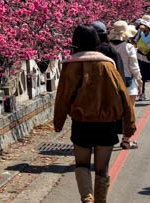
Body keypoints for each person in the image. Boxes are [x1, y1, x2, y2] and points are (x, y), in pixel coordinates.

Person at [54, 24, 136, 203]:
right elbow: (123, 94)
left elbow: (63, 96)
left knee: (82, 165)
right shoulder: (107, 64)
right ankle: (100, 200)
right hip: (106, 125)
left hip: (81, 123)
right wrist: (129, 126)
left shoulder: (70, 65)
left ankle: (87, 198)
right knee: (102, 170)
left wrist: (58, 122)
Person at [109, 20, 141, 149]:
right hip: (128, 82)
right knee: (129, 111)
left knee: (112, 111)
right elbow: (134, 67)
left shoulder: (108, 47)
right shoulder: (128, 47)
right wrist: (139, 80)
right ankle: (126, 139)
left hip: (111, 82)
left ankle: (110, 138)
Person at [133, 17, 150, 101]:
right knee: (147, 75)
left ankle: (142, 94)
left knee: (142, 75)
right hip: (149, 55)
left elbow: (135, 41)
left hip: (141, 56)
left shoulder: (140, 32)